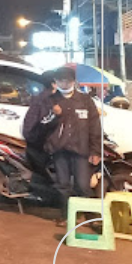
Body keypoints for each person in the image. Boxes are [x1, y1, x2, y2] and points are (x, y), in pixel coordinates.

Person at [40, 66, 103, 226]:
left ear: (74, 81)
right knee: (63, 185)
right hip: (60, 149)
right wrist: (54, 114)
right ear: (56, 82)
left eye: (68, 80)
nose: (64, 83)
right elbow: (42, 125)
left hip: (81, 149)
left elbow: (94, 126)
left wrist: (96, 150)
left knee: (83, 185)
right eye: (61, 80)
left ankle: (89, 217)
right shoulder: (50, 100)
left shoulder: (85, 100)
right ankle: (67, 216)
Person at [22, 69, 57, 178]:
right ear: (54, 84)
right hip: (40, 146)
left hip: (35, 143)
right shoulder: (48, 101)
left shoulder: (40, 98)